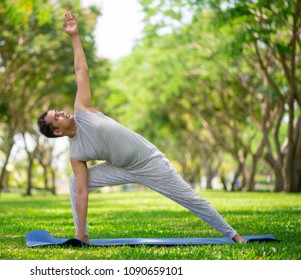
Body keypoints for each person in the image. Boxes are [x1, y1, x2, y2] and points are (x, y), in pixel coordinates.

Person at [37, 11, 247, 244]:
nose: (62, 112)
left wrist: (75, 36)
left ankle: (235, 235)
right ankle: (82, 236)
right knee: (76, 182)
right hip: (121, 168)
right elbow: (81, 192)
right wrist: (79, 235)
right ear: (57, 131)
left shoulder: (83, 110)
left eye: (58, 111)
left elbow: (80, 71)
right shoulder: (76, 154)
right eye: (57, 117)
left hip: (150, 162)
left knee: (190, 199)